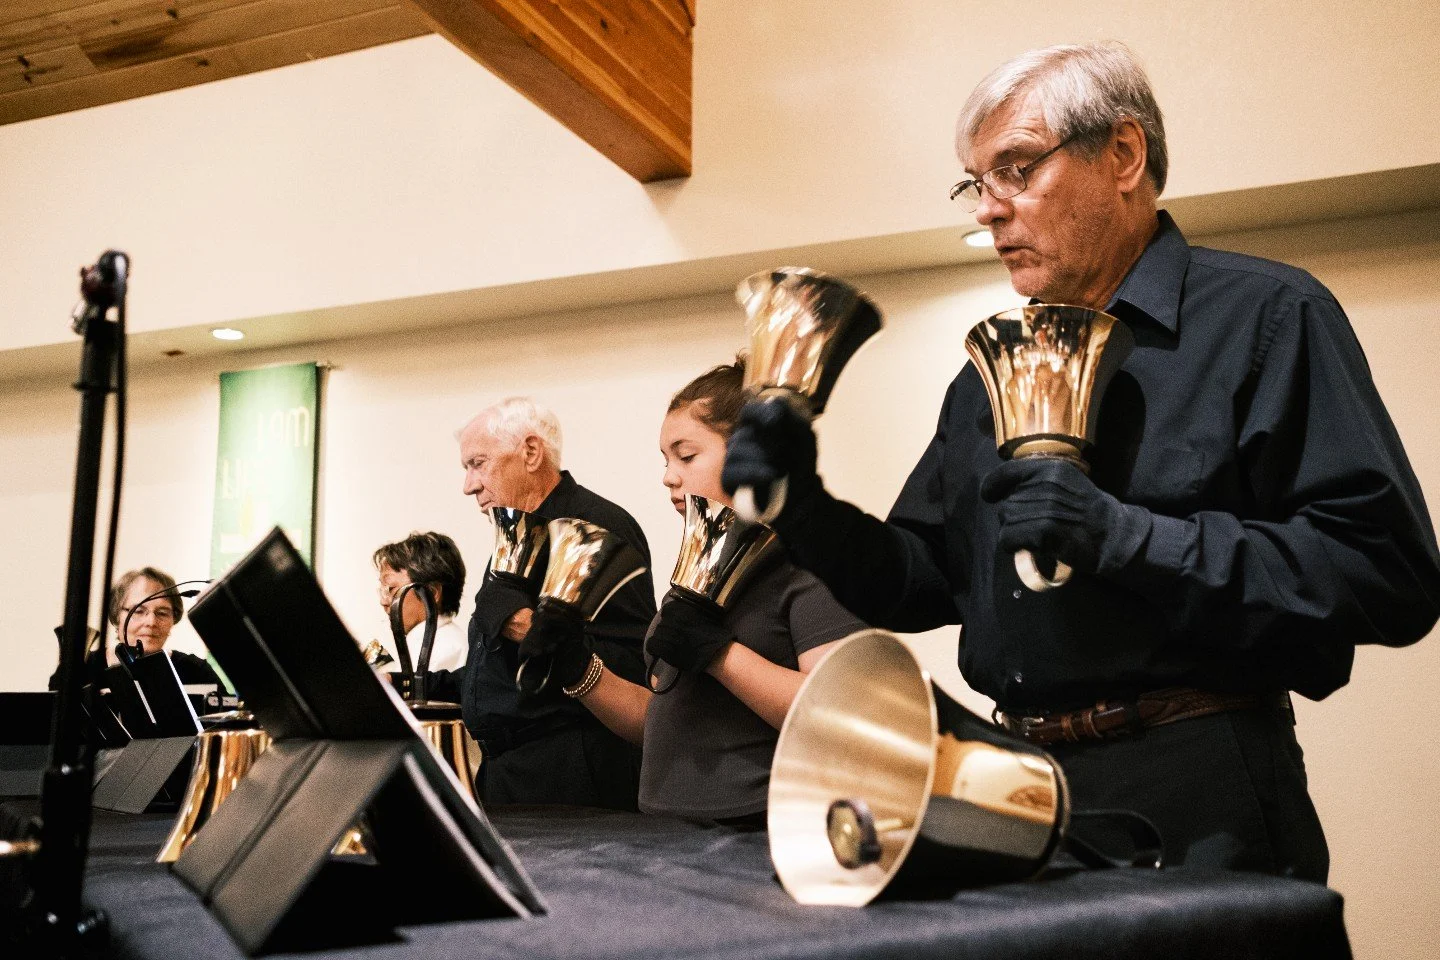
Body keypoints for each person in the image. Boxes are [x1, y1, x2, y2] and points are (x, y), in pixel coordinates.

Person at [721, 41, 1440, 880]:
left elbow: (1385, 573)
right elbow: (917, 580)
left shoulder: (1269, 316)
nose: (989, 209)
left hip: (1199, 787)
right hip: (1013, 788)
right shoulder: (983, 377)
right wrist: (800, 503)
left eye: (1015, 169)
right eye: (975, 182)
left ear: (1124, 155)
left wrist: (1123, 537)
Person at [530, 361, 867, 822]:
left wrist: (718, 653)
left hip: (759, 830)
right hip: (669, 831)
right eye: (665, 461)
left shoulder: (811, 565)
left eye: (686, 457)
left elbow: (835, 716)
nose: (669, 476)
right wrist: (576, 666)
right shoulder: (694, 578)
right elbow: (661, 725)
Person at [435, 396, 656, 809]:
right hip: (511, 773)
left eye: (478, 464)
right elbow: (498, 671)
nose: (469, 485)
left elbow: (630, 660)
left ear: (531, 453)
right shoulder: (515, 536)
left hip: (570, 773)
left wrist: (527, 626)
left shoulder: (594, 525)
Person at [56, 567, 221, 689]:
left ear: (174, 619)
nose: (151, 622)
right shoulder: (82, 668)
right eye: (139, 611)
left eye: (162, 613)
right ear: (116, 615)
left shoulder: (196, 671)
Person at [373, 531, 469, 672]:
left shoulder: (444, 648)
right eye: (382, 590)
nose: (383, 601)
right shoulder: (425, 642)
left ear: (431, 593)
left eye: (391, 589)